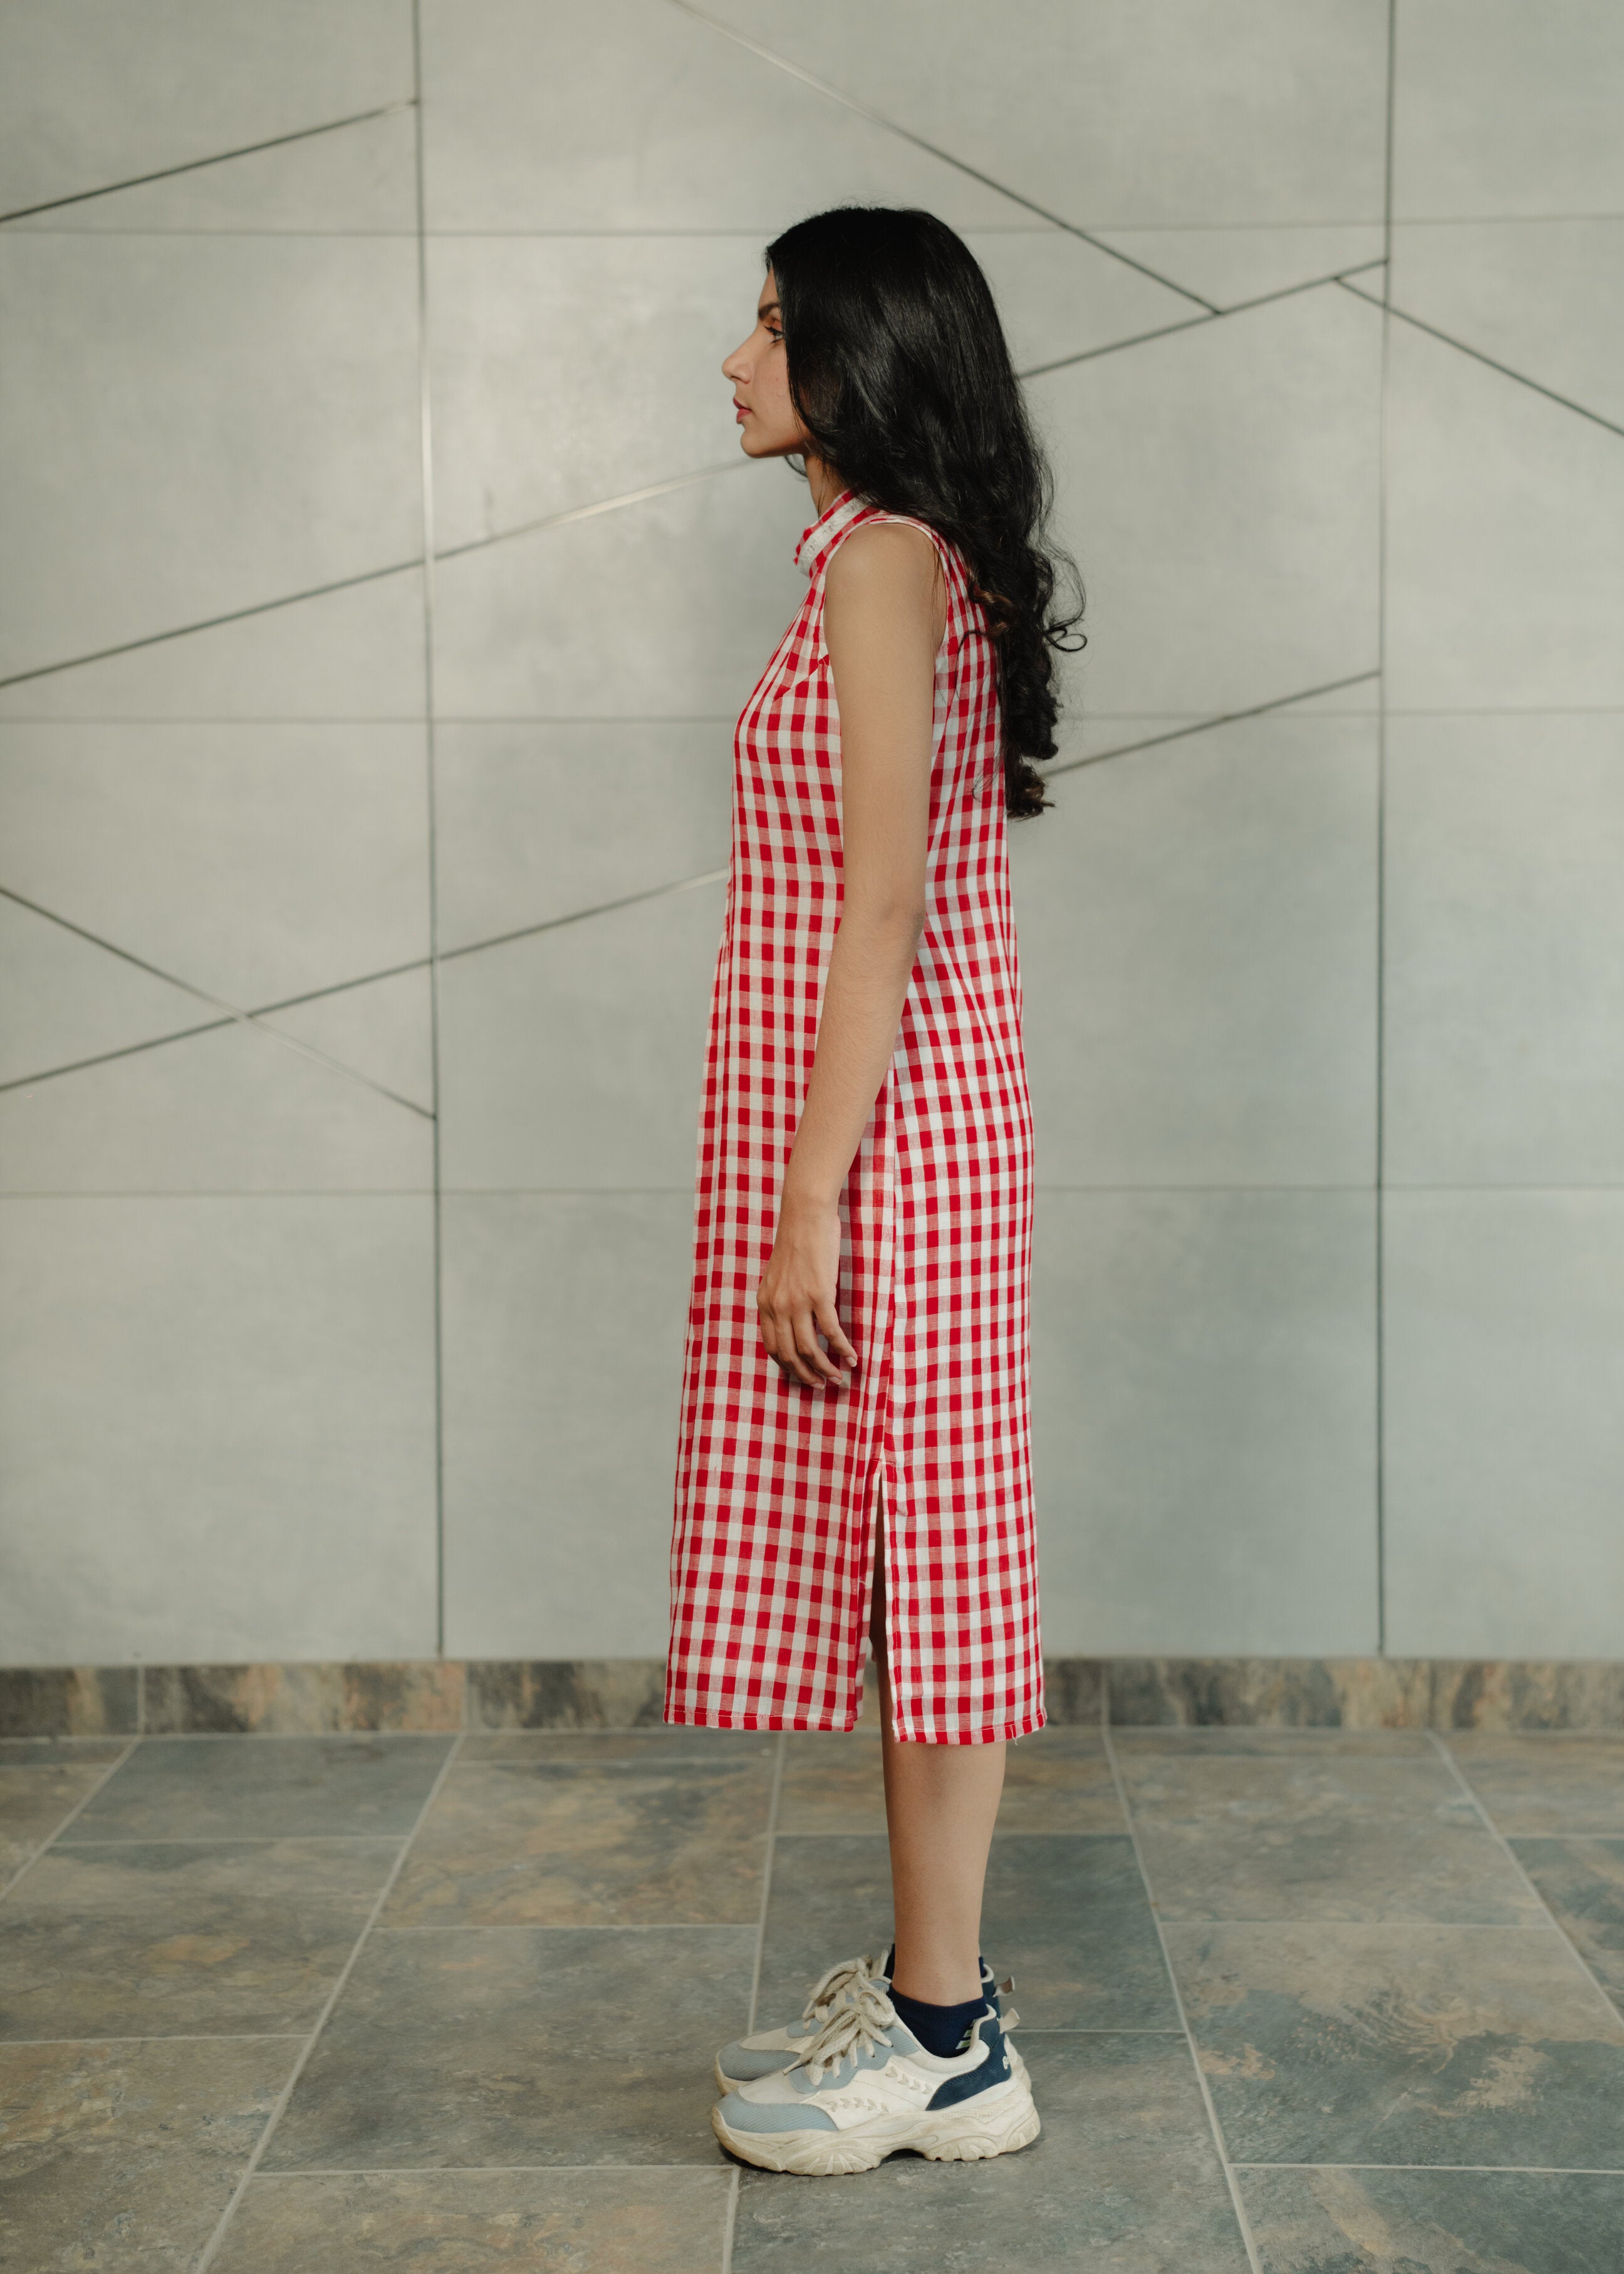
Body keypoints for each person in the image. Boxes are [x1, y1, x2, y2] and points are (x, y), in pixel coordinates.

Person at [665, 204, 1084, 2177]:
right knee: (914, 1564)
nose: (735, 360)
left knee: (938, 1563)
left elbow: (886, 900)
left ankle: (946, 2041)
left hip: (893, 1138)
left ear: (861, 356)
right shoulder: (875, 553)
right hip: (888, 1121)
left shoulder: (887, 559)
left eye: (770, 325)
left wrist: (816, 1193)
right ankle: (936, 2001)